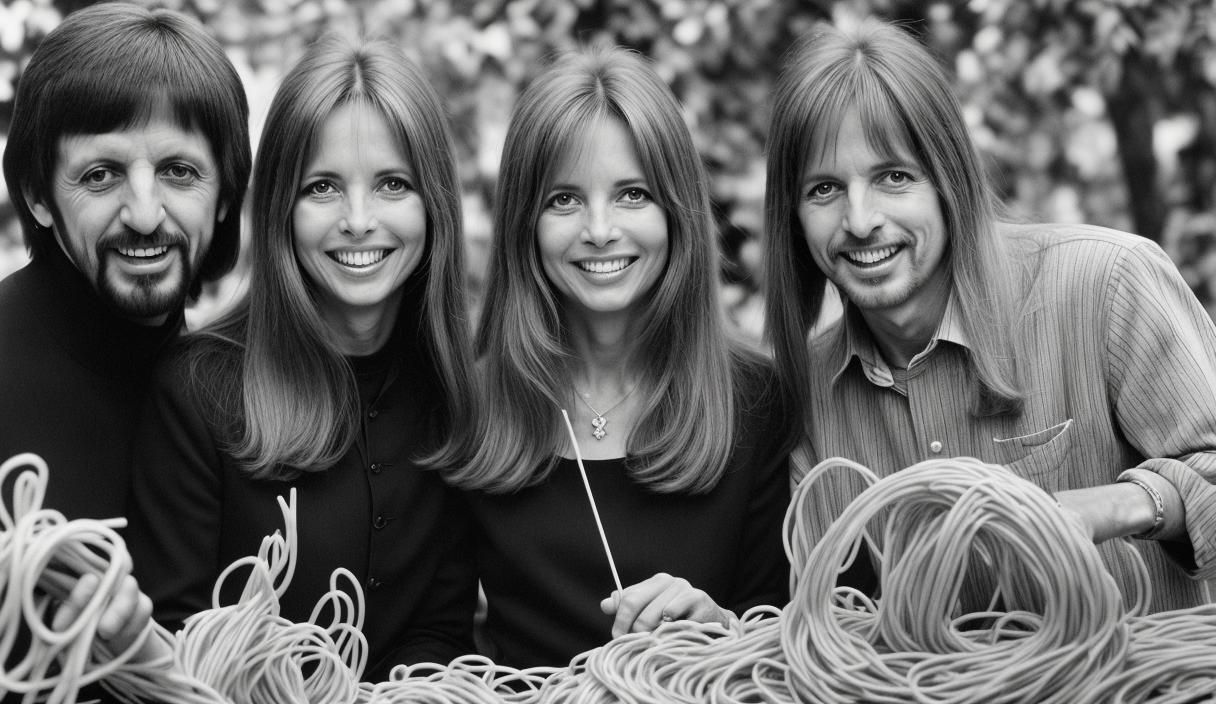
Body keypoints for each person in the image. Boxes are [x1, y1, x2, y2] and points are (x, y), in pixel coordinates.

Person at [764, 18, 1216, 612]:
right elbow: (830, 623)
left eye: (894, 177)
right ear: (793, 217)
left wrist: (1113, 507)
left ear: (949, 180)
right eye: (823, 189)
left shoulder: (1108, 282)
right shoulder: (807, 394)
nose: (860, 219)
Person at [125, 34, 478, 679]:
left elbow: (440, 629)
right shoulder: (196, 390)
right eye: (322, 188)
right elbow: (172, 650)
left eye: (393, 184)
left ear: (435, 206)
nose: (359, 219)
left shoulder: (457, 392)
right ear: (281, 205)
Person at [444, 46, 793, 669]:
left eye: (632, 195)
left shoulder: (757, 399)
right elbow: (441, 641)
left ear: (677, 211)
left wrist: (723, 630)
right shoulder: (470, 402)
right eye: (564, 200)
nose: (600, 229)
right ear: (525, 224)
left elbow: (785, 639)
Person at [0, 4, 248, 699]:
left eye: (178, 170)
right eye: (101, 174)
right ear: (38, 195)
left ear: (225, 194)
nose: (143, 214)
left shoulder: (231, 392)